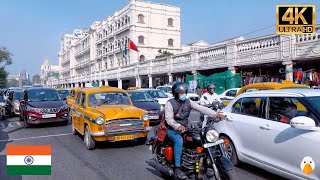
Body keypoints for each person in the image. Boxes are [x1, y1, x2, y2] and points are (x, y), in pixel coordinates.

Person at [165, 82, 226, 179]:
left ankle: (201, 163)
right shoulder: (170, 103)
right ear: (176, 94)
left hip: (186, 128)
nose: (183, 94)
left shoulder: (188, 102)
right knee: (179, 141)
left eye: (184, 92)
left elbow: (202, 108)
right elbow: (169, 119)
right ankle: (177, 168)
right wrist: (177, 126)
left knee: (200, 139)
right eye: (181, 93)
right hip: (172, 129)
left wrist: (216, 114)